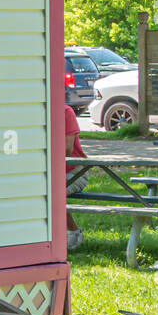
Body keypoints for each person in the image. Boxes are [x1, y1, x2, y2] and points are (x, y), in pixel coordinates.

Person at [65, 92, 86, 251]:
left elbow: (67, 149)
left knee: (51, 194)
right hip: (50, 173)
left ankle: (74, 234)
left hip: (76, 170)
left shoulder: (66, 112)